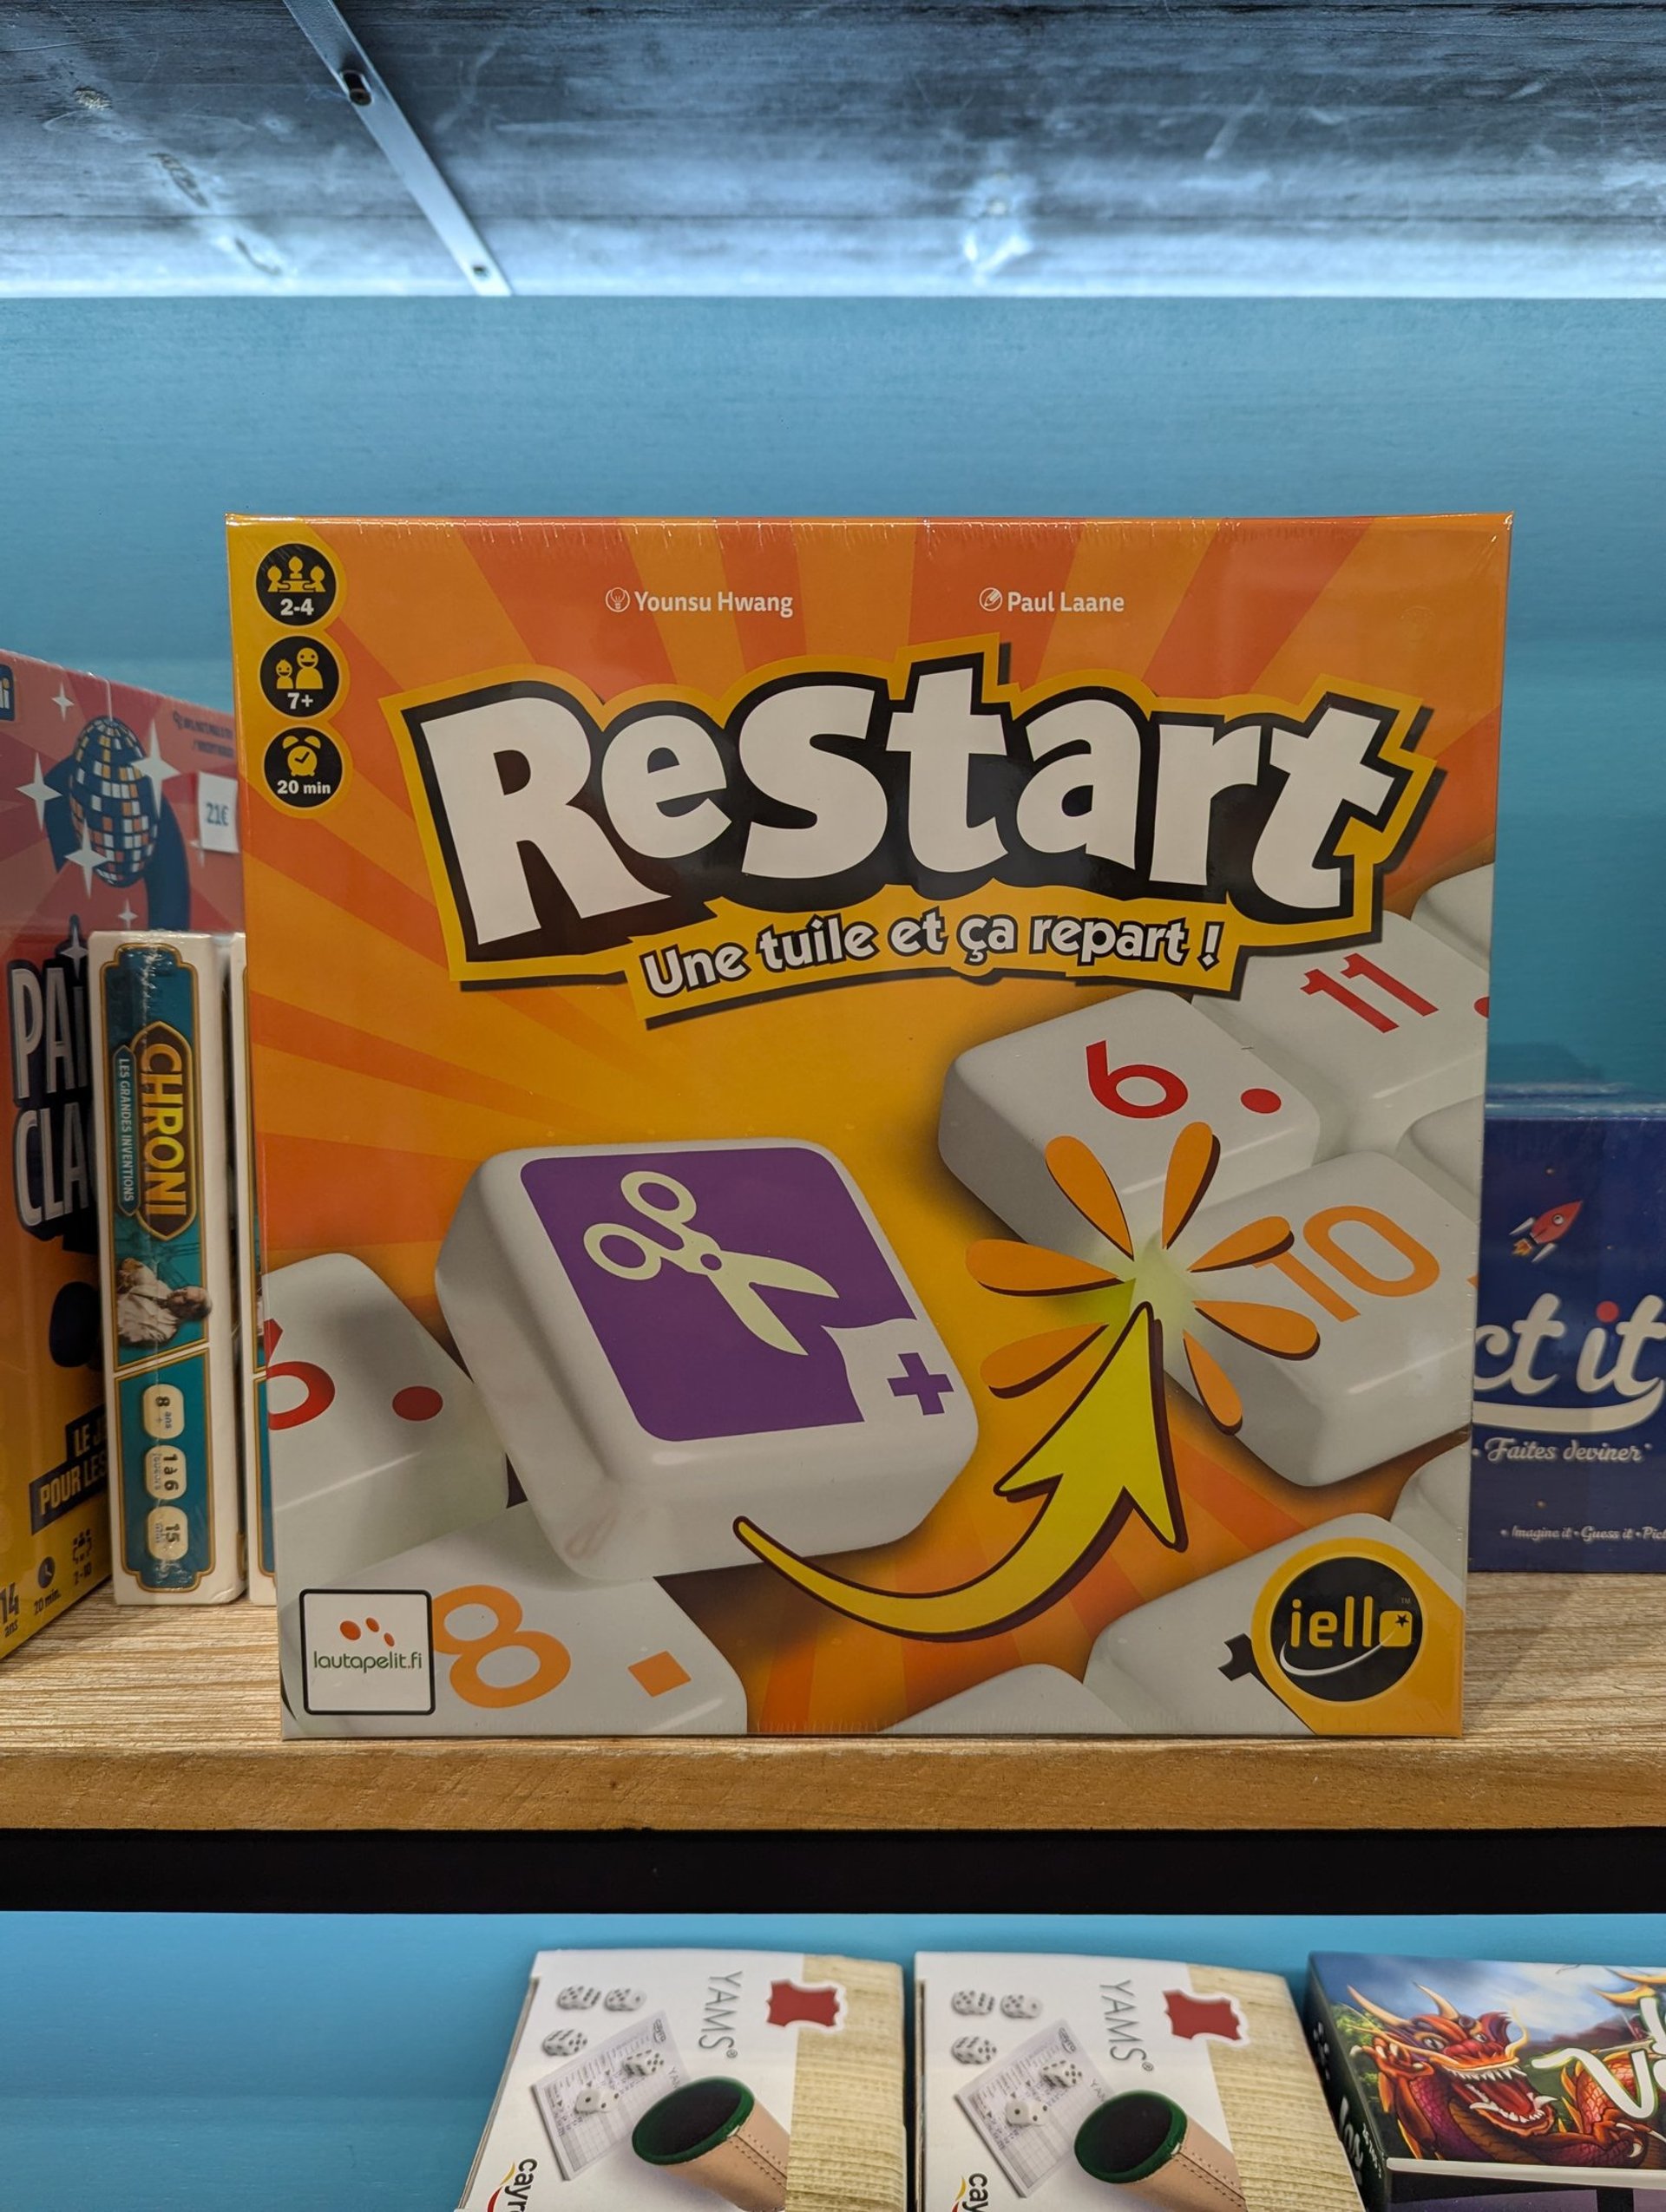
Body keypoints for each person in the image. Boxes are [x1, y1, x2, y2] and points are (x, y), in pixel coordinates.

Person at [115, 1256, 210, 1346]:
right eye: (184, 1289)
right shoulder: (164, 1290)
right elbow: (136, 1268)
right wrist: (130, 1271)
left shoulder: (162, 1333)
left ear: (187, 1313)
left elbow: (119, 1331)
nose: (178, 1291)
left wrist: (122, 1293)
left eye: (184, 1297)